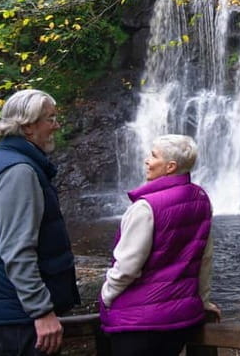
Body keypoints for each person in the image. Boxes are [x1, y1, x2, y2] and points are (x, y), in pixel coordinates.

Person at [0, 89, 80, 356]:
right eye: (51, 119)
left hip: (14, 311)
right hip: (21, 317)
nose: (56, 126)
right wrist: (41, 311)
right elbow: (17, 250)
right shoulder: (19, 171)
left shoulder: (4, 158)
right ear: (29, 127)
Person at [99, 134, 218, 356]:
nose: (146, 160)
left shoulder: (145, 207)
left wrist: (106, 296)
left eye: (153, 156)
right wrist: (203, 300)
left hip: (137, 323)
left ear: (170, 166)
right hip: (179, 320)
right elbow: (204, 257)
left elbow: (127, 267)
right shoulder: (201, 199)